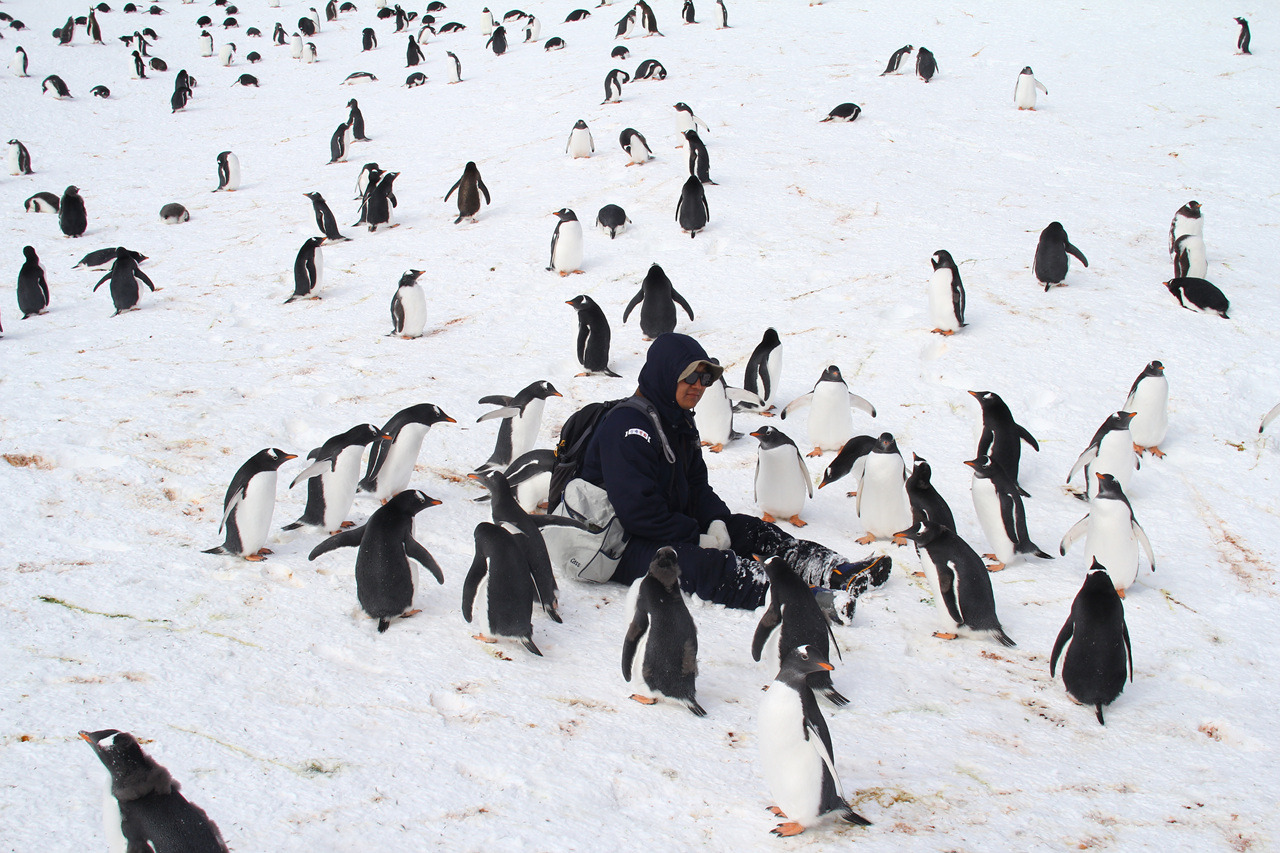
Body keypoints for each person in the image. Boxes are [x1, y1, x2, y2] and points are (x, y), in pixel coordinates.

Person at [579, 332, 890, 610]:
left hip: (664, 525)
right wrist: (696, 537)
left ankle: (836, 571)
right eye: (690, 377)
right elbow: (638, 512)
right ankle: (802, 599)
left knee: (751, 531)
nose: (698, 386)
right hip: (618, 544)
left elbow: (697, 486)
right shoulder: (628, 427)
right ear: (665, 373)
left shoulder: (677, 420)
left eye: (705, 379)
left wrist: (716, 522)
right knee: (705, 565)